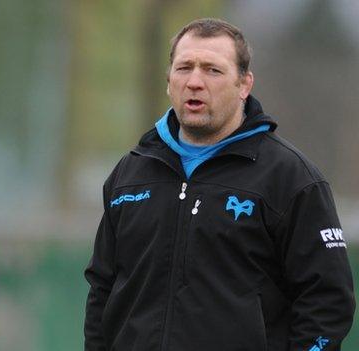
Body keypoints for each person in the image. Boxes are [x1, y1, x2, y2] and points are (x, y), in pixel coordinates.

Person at [84, 18, 354, 351]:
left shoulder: (292, 179)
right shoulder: (130, 173)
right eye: (184, 68)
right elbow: (101, 290)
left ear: (244, 84)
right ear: (169, 80)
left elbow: (327, 303)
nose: (195, 81)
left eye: (213, 70)